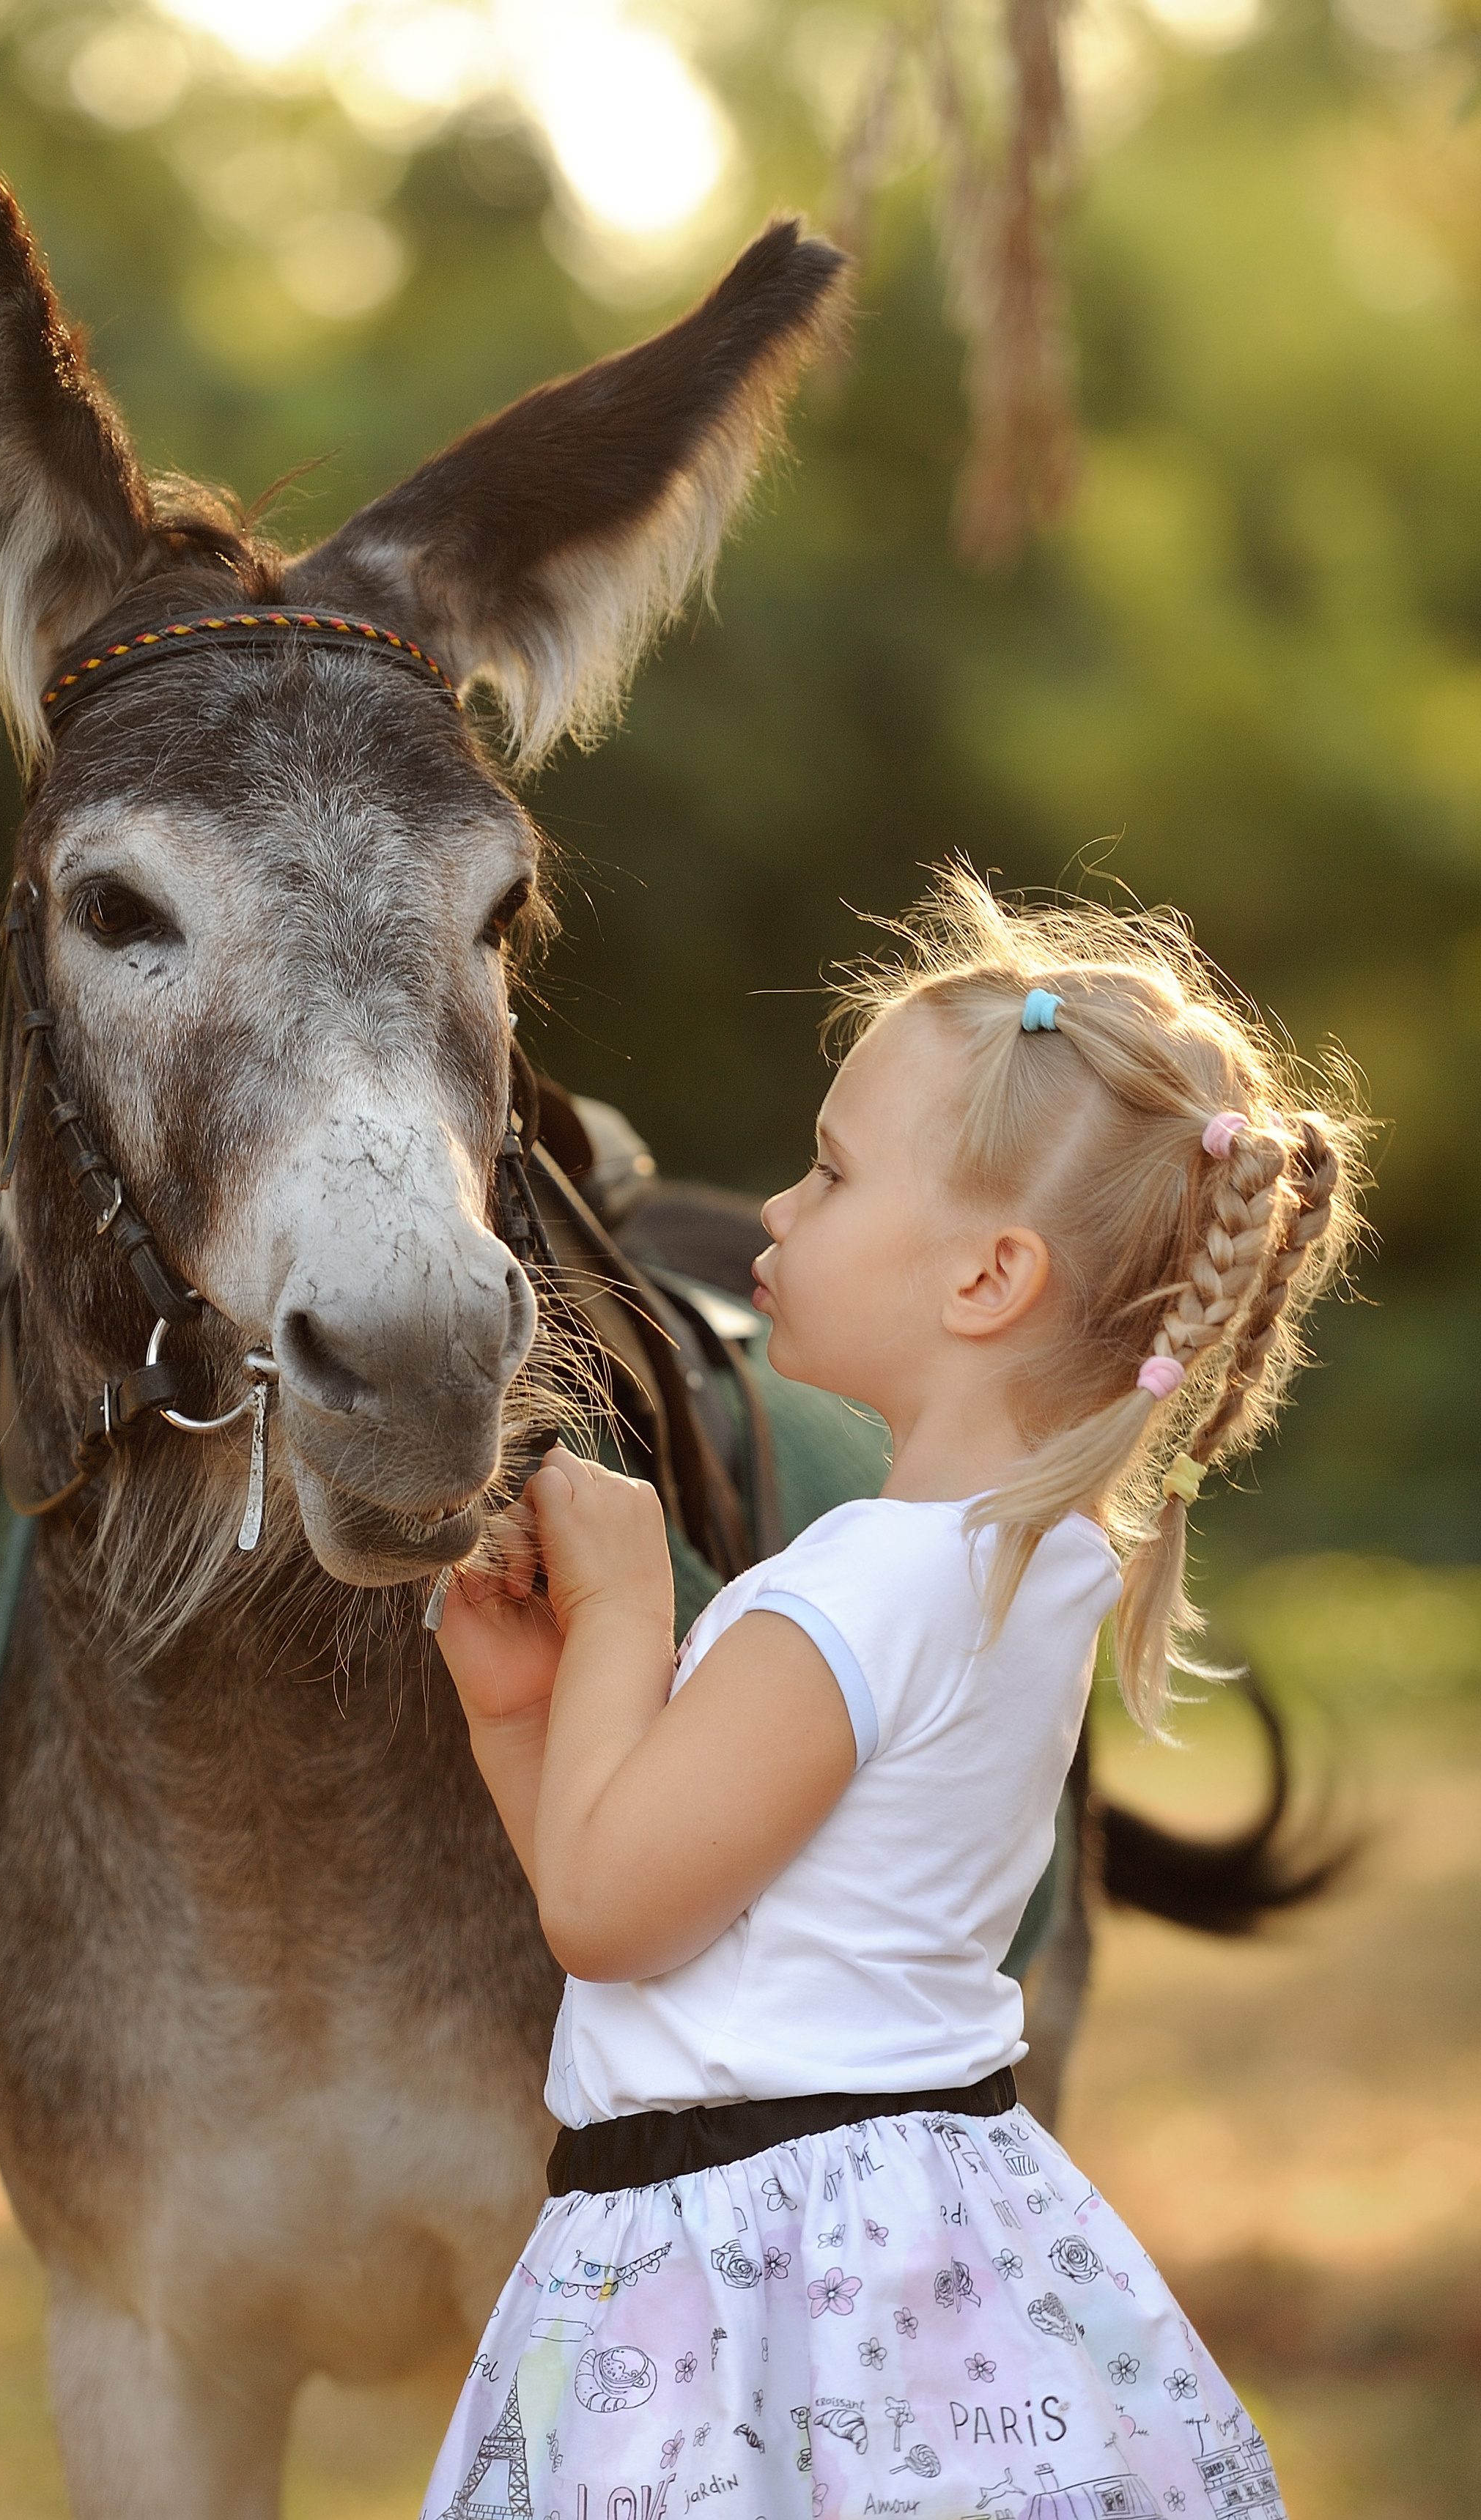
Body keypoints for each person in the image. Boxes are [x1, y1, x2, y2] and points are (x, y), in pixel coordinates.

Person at [421, 870, 1361, 2520]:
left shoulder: (860, 1584)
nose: (774, 1212)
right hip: (907, 2230)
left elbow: (603, 1913)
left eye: (830, 1172)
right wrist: (520, 1709)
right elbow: (675, 1915)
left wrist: (630, 1599)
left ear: (987, 1280)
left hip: (743, 2283)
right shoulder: (1024, 1567)